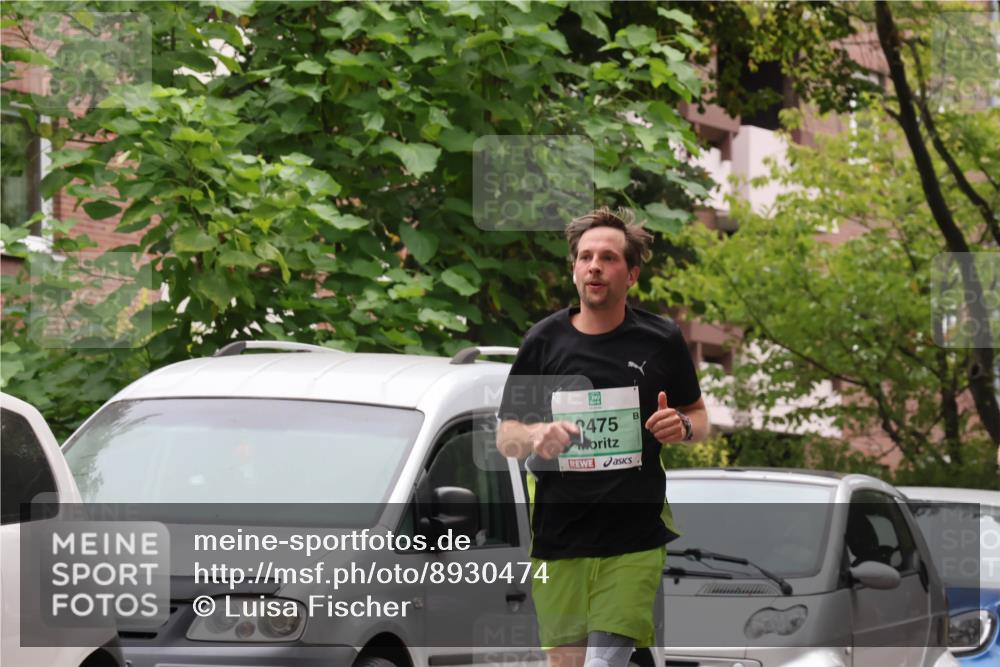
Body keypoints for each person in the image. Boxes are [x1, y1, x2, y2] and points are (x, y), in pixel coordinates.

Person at [496, 207, 709, 667]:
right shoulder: (543, 341)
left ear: (631, 274)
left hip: (632, 537)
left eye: (609, 258)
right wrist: (538, 435)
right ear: (573, 269)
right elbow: (506, 437)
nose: (595, 265)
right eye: (586, 256)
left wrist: (684, 426)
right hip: (559, 538)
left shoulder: (661, 339)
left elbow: (699, 415)